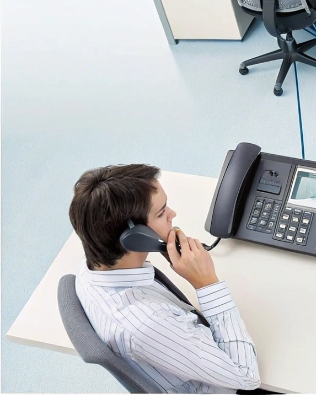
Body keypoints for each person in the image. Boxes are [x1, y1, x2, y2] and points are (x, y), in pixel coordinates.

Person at [69, 164, 262, 393]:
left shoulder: (93, 267)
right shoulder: (147, 324)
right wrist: (207, 282)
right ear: (136, 237)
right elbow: (247, 376)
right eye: (161, 213)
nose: (172, 214)